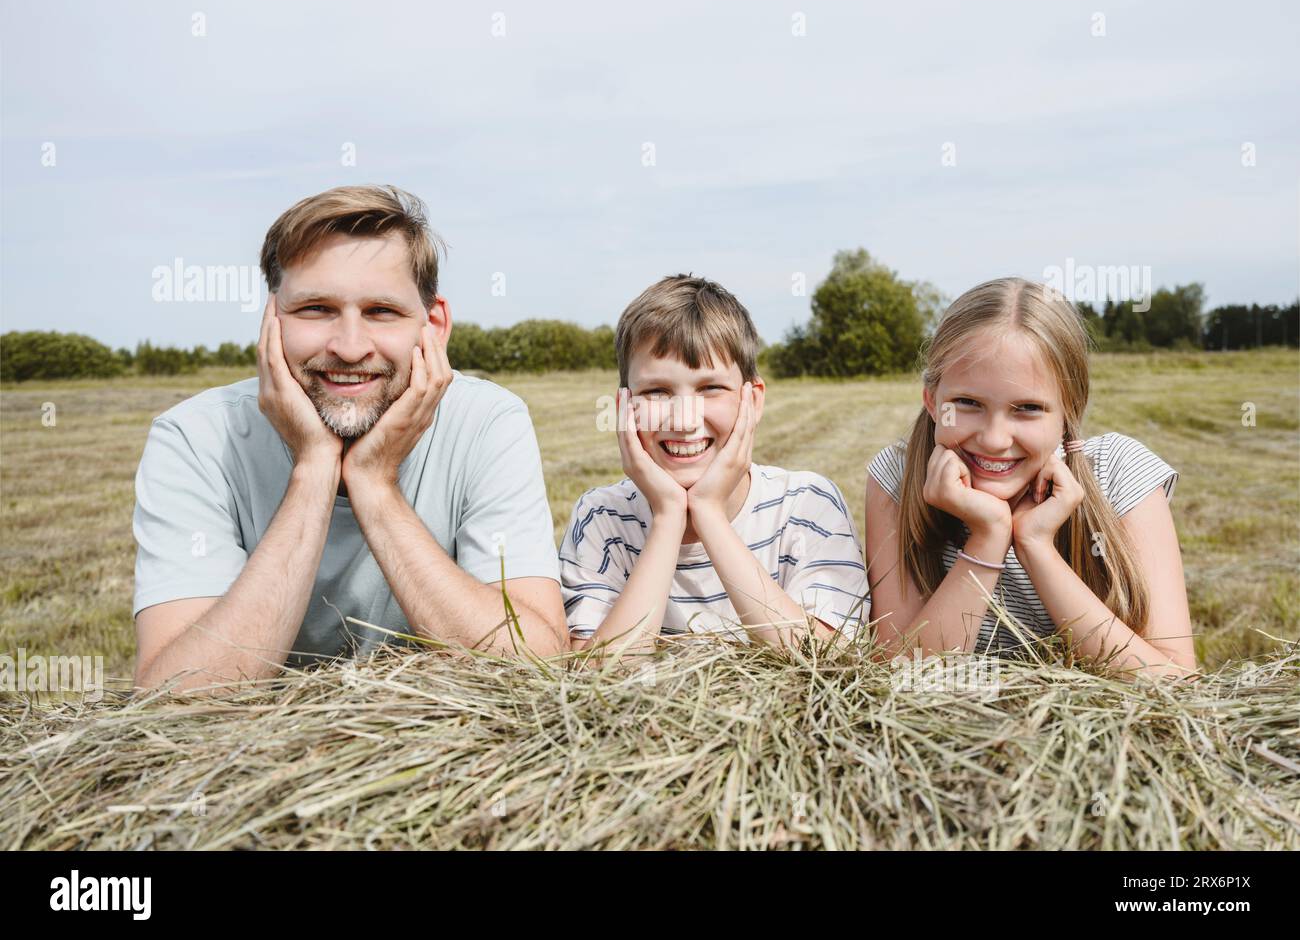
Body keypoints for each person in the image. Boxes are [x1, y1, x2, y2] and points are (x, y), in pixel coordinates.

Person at [132, 185, 566, 693]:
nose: (350, 347)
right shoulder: (193, 438)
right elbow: (175, 701)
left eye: (382, 311)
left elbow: (537, 668)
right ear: (271, 319)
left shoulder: (490, 421)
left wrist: (374, 483)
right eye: (316, 309)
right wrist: (314, 467)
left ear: (434, 326)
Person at [864, 277, 1196, 678]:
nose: (994, 439)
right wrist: (986, 540)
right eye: (967, 403)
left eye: (1027, 408)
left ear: (1068, 412)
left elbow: (1175, 682)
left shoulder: (1119, 474)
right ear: (933, 401)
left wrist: (1036, 546)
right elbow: (898, 677)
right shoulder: (898, 478)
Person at [561, 274, 869, 654]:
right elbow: (597, 678)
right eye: (657, 391)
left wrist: (708, 513)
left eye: (710, 389)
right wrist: (668, 516)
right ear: (625, 407)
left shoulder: (807, 506)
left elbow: (825, 661)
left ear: (752, 401)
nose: (684, 420)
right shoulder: (602, 519)